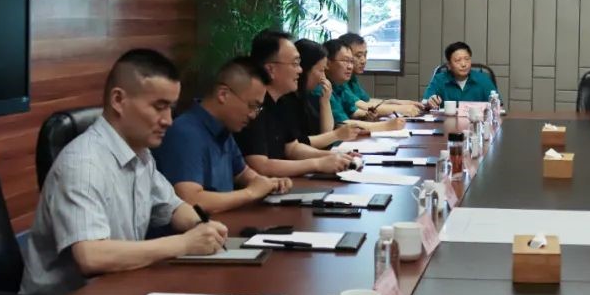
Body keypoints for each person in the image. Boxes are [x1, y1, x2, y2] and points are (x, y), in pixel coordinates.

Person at [20, 49, 228, 295]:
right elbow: (91, 257)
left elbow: (173, 207)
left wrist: (202, 226)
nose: (168, 120)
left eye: (171, 108)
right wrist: (185, 244)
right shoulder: (83, 165)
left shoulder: (140, 154)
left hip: (116, 293)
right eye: (159, 107)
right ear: (118, 100)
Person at [154, 56, 293, 213]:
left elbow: (243, 173)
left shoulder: (223, 128)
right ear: (223, 94)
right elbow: (190, 200)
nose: (253, 115)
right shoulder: (185, 133)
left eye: (258, 108)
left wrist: (269, 183)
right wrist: (251, 193)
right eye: (252, 105)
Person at [235, 30, 355, 177]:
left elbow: (293, 148)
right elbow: (260, 166)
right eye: (295, 63)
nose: (300, 70)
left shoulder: (281, 101)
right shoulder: (253, 106)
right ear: (271, 69)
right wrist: (317, 163)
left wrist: (335, 156)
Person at [319, 39, 406, 132]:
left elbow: (355, 111)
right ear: (327, 63)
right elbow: (341, 124)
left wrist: (366, 117)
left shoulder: (339, 86)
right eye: (345, 61)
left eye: (351, 61)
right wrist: (386, 126)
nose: (350, 67)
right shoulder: (322, 88)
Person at [336, 32, 424, 117]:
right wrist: (399, 109)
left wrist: (395, 102)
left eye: (365, 55)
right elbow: (363, 106)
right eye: (358, 56)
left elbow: (366, 101)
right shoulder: (339, 81)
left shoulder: (351, 78)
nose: (363, 61)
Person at [423, 41, 501, 107]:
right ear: (449, 65)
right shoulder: (439, 79)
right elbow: (425, 102)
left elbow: (498, 107)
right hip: (446, 120)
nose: (463, 64)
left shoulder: (483, 79)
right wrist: (429, 102)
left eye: (467, 59)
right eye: (458, 60)